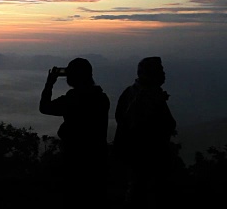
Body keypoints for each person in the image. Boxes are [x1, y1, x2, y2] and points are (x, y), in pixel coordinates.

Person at [40, 57, 110, 208]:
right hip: (98, 159)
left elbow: (44, 107)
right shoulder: (102, 98)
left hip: (75, 158)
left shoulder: (73, 99)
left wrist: (50, 83)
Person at [113, 56, 177, 207]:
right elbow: (167, 124)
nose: (163, 74)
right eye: (159, 70)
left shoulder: (130, 93)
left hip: (135, 157)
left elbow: (121, 120)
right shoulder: (147, 96)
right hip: (147, 158)